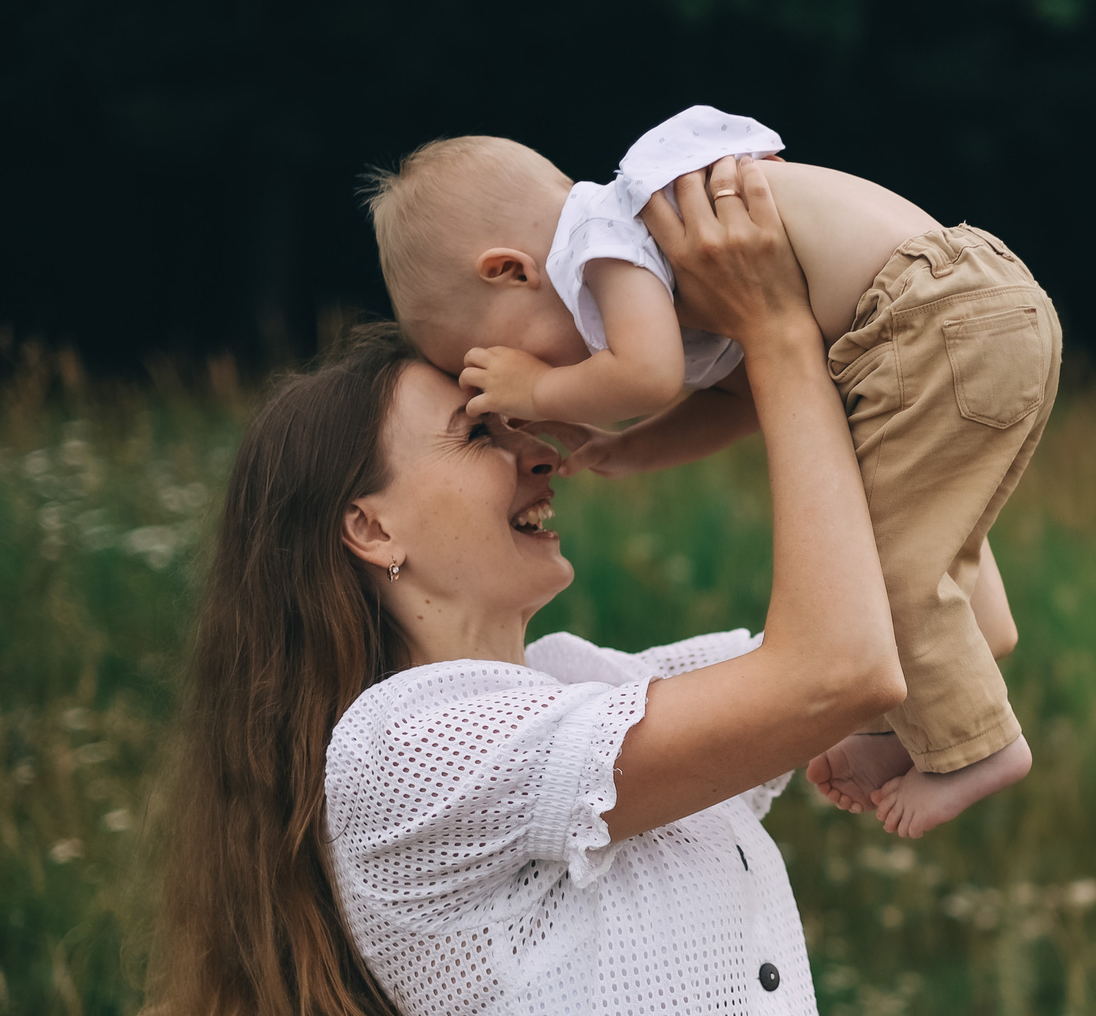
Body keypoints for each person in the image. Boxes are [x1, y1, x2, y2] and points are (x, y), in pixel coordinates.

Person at [139, 160, 927, 1016]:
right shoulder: (402, 753)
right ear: (368, 526)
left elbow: (927, 664)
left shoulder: (583, 685)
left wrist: (873, 349)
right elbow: (841, 671)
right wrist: (782, 336)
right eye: (477, 429)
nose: (532, 445)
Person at [362, 106, 1059, 840]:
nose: (537, 378)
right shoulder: (661, 270)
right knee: (888, 548)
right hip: (958, 315)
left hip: (924, 322)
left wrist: (535, 389)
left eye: (502, 353)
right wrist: (630, 449)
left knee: (885, 573)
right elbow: (735, 397)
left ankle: (979, 750)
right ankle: (918, 703)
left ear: (510, 270)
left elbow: (652, 374)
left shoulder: (599, 245)